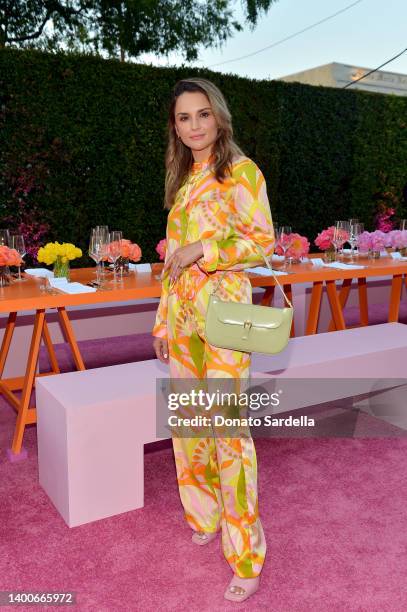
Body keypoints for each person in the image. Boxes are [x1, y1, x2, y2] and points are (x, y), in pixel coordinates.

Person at [152, 77, 275, 603]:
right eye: (184, 118)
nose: (195, 125)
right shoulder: (183, 181)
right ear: (176, 129)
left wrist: (207, 247)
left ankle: (246, 553)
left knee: (229, 436)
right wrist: (162, 322)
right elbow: (172, 262)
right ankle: (203, 514)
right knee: (189, 428)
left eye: (202, 114)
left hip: (226, 317)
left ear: (218, 117)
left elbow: (261, 239)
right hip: (182, 322)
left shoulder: (241, 172)